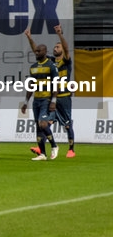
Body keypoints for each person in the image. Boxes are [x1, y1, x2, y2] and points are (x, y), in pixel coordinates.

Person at [25, 26, 75, 158]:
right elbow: (37, 50)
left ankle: (71, 149)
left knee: (67, 123)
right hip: (49, 97)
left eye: (58, 47)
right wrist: (30, 38)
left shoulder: (66, 61)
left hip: (63, 96)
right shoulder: (50, 62)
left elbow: (66, 48)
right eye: (55, 47)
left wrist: (60, 35)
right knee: (44, 123)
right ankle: (42, 147)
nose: (56, 48)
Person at [20, 42, 60, 161]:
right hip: (36, 100)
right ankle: (42, 153)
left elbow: (56, 84)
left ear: (45, 52)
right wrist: (26, 102)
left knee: (43, 124)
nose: (36, 53)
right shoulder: (33, 67)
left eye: (39, 51)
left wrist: (53, 100)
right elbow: (31, 85)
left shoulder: (51, 66)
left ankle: (54, 145)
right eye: (36, 51)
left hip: (46, 99)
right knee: (38, 127)